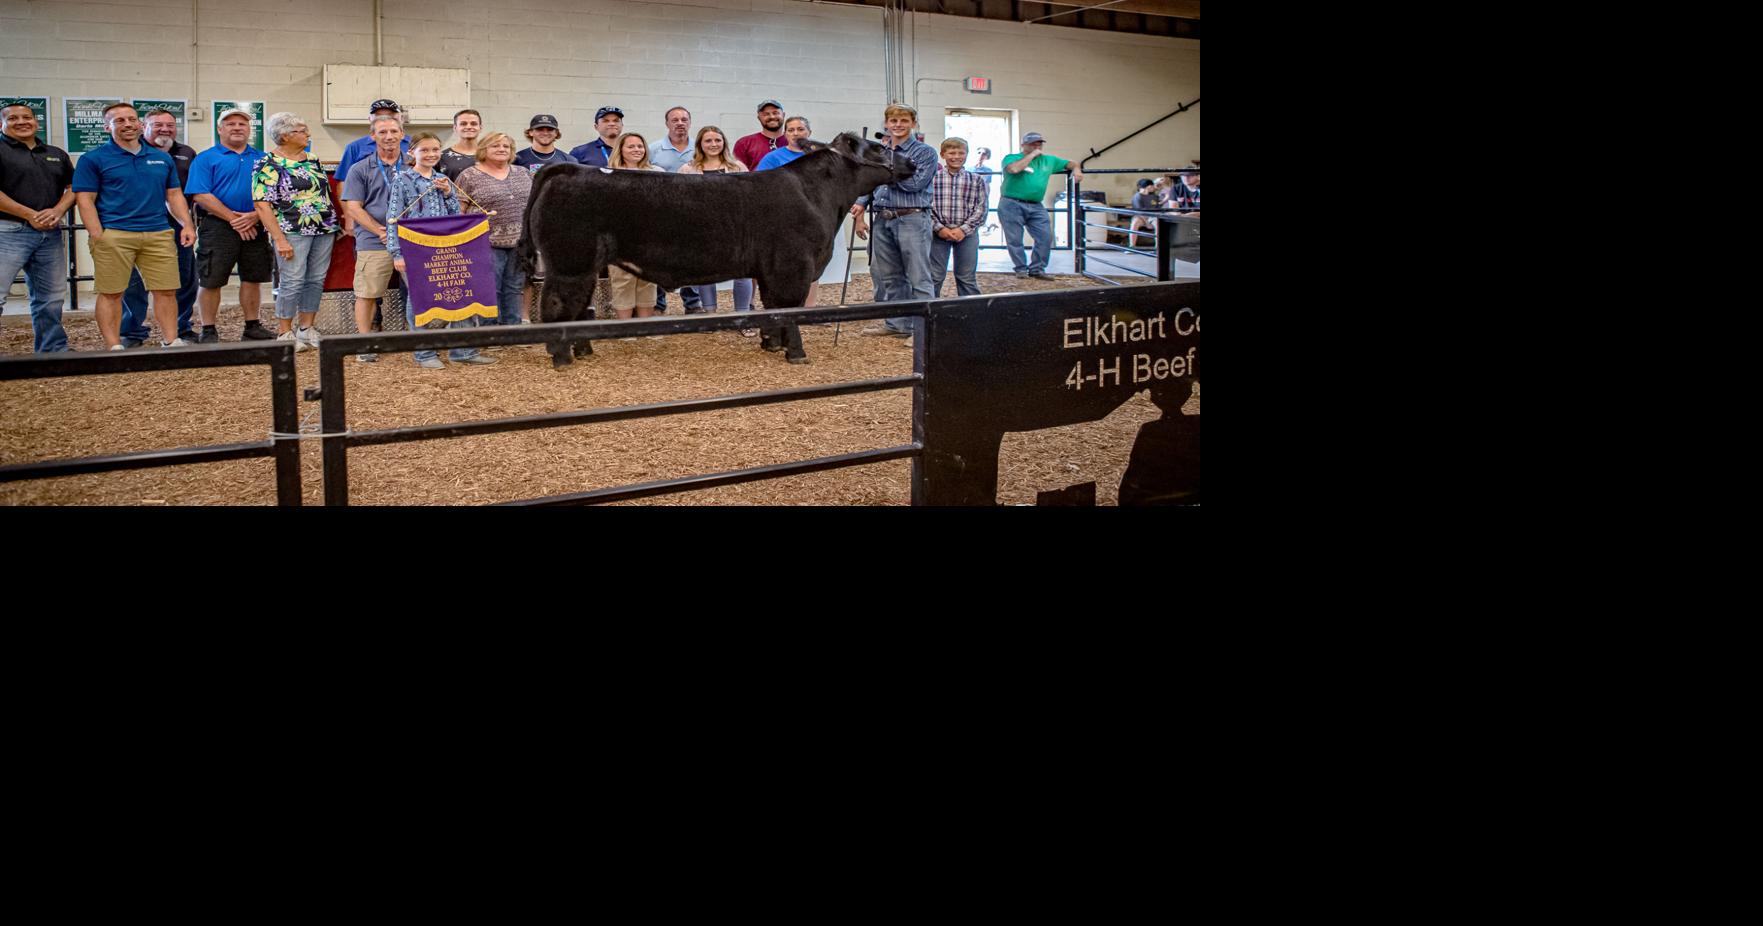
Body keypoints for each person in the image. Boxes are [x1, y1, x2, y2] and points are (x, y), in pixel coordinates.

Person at [71, 102, 198, 349]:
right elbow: (85, 199)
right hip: (114, 234)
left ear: (140, 124)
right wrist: (98, 234)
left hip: (158, 232)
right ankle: (113, 345)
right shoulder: (93, 159)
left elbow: (173, 195)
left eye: (131, 119)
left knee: (166, 290)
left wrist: (187, 225)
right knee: (112, 292)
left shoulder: (161, 159)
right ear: (107, 126)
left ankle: (171, 340)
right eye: (119, 121)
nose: (127, 124)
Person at [387, 132, 494, 369]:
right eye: (424, 150)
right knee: (419, 300)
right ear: (412, 153)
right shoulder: (402, 180)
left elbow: (455, 215)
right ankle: (424, 353)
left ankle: (463, 350)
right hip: (415, 249)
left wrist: (448, 193)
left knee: (462, 293)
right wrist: (397, 252)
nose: (431, 154)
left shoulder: (443, 178)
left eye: (435, 149)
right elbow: (393, 217)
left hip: (447, 247)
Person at [184, 107, 274, 343]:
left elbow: (274, 193)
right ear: (220, 129)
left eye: (242, 124)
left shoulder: (263, 158)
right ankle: (209, 329)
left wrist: (254, 216)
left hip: (256, 224)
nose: (237, 128)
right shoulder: (206, 158)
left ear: (249, 130)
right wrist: (235, 220)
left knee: (253, 277)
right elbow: (201, 195)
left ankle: (252, 326)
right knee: (211, 279)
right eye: (231, 124)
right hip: (218, 226)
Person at [253, 111, 339, 352]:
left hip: (324, 227)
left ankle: (306, 327)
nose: (308, 134)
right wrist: (279, 239)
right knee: (292, 280)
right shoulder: (267, 163)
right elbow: (262, 203)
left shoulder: (312, 158)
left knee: (315, 279)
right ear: (285, 135)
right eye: (302, 130)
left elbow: (323, 193)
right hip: (292, 229)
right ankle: (284, 331)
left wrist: (334, 223)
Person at [851, 103, 936, 339]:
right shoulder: (880, 150)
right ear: (887, 124)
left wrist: (887, 171)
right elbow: (870, 181)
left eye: (904, 121)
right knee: (889, 276)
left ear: (913, 124)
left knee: (919, 276)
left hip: (912, 217)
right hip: (883, 217)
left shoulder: (924, 152)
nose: (898, 125)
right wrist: (861, 201)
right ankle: (897, 324)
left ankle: (923, 332)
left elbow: (914, 184)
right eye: (893, 121)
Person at [119, 107, 200, 346]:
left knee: (184, 279)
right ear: (145, 127)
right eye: (158, 125)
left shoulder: (186, 153)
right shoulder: (134, 152)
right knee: (134, 283)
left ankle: (180, 328)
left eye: (170, 125)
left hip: (178, 227)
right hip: (139, 225)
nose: (165, 129)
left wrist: (189, 224)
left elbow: (189, 191)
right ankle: (132, 331)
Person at [0, 101, 75, 353]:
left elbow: (73, 187)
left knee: (51, 297)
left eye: (27, 117)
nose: (21, 122)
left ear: (36, 121)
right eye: (13, 118)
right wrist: (29, 214)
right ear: (3, 123)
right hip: (8, 231)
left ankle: (52, 348)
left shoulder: (55, 153)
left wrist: (57, 210)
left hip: (49, 235)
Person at [340, 113, 407, 360]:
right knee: (367, 292)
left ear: (402, 134)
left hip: (412, 240)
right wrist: (380, 230)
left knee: (420, 290)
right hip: (373, 240)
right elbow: (354, 207)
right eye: (382, 132)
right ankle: (365, 343)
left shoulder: (414, 164)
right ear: (372, 137)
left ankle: (420, 339)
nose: (388, 137)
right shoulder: (360, 168)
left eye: (393, 132)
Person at [456, 131, 532, 327]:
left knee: (514, 287)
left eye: (506, 146)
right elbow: (459, 211)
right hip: (485, 243)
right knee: (489, 288)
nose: (501, 149)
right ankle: (489, 330)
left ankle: (511, 328)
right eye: (495, 146)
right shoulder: (469, 176)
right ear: (484, 150)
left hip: (520, 242)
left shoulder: (523, 173)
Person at [677, 125, 753, 321]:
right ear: (700, 144)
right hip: (703, 230)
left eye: (717, 140)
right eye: (708, 141)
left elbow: (750, 198)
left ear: (724, 143)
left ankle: (742, 317)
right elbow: (679, 201)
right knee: (706, 271)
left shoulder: (737, 167)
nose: (713, 144)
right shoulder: (688, 169)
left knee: (743, 272)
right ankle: (710, 316)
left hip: (736, 228)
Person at [755, 116, 821, 313]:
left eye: (800, 129)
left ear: (809, 132)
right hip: (783, 219)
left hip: (814, 217)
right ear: (785, 134)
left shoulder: (819, 157)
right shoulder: (773, 158)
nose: (795, 134)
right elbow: (759, 186)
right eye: (791, 130)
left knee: (813, 261)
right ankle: (780, 307)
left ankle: (809, 307)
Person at [998, 131, 1083, 278]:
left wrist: (1077, 169)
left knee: (1045, 236)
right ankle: (1021, 269)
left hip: (1036, 204)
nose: (1037, 146)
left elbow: (1071, 163)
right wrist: (1031, 156)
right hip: (1011, 203)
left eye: (1039, 143)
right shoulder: (1012, 158)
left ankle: (1037, 268)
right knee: (1015, 238)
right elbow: (1014, 169)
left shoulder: (1049, 160)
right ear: (1023, 145)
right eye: (1033, 143)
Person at [602, 132, 664, 321]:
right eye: (631, 146)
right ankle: (626, 327)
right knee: (623, 280)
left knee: (648, 280)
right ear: (620, 149)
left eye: (640, 146)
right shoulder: (609, 175)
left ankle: (644, 324)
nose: (637, 150)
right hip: (620, 237)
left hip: (650, 236)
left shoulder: (658, 173)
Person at [645, 106, 701, 314]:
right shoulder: (654, 149)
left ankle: (692, 303)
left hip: (693, 213)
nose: (680, 123)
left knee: (691, 258)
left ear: (690, 122)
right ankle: (658, 304)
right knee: (659, 258)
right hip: (662, 213)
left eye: (684, 119)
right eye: (675, 120)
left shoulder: (699, 148)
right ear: (667, 123)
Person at [928, 136, 987, 298]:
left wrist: (964, 229)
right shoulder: (933, 179)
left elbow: (981, 208)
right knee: (934, 276)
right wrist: (940, 228)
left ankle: (972, 312)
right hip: (938, 234)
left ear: (967, 154)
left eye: (961, 153)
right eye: (952, 153)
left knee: (966, 277)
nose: (956, 156)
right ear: (943, 155)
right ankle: (928, 312)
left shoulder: (976, 180)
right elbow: (926, 206)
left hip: (967, 234)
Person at [334, 99, 409, 193]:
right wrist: (350, 208)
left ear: (400, 118)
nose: (385, 119)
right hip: (367, 204)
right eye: (379, 116)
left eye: (390, 115)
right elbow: (343, 182)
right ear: (369, 119)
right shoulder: (354, 147)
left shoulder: (415, 145)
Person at [733, 99, 787, 171]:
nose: (772, 117)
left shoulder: (794, 143)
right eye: (766, 114)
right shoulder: (744, 143)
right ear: (759, 118)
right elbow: (737, 175)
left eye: (775, 113)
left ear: (783, 115)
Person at [437, 108, 482, 180]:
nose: (469, 127)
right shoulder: (441, 157)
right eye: (463, 124)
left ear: (480, 127)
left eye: (473, 124)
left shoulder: (489, 156)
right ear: (455, 128)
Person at [1129, 178, 1163, 248]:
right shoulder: (1137, 196)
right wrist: (1147, 223)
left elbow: (1157, 206)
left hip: (1152, 216)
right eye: (1152, 186)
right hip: (1140, 216)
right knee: (1134, 224)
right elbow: (1139, 212)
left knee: (1158, 224)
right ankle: (1132, 246)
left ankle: (1158, 248)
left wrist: (1166, 199)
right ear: (1148, 187)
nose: (1154, 187)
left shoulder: (1154, 195)